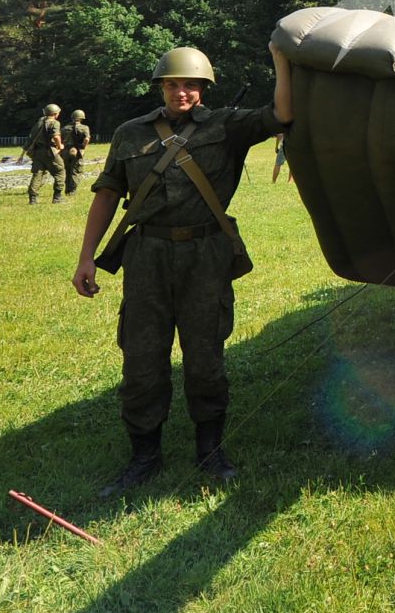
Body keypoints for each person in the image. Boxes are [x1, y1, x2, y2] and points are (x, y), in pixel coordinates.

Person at [71, 44, 293, 497]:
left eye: (191, 84)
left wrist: (280, 59)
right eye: (173, 84)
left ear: (204, 88)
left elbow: (282, 113)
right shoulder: (131, 133)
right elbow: (108, 194)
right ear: (161, 87)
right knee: (141, 360)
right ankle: (144, 457)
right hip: (147, 256)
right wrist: (86, 255)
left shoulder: (227, 126)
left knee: (206, 357)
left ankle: (211, 451)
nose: (182, 92)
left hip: (205, 255)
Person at [25, 104, 65, 204]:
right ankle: (57, 198)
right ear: (55, 114)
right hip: (50, 152)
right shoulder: (55, 123)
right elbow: (56, 136)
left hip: (37, 152)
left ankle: (32, 199)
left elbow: (31, 137)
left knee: (37, 174)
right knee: (60, 172)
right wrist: (60, 146)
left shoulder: (39, 122)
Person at [60, 109, 92, 196]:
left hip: (65, 152)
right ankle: (72, 191)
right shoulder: (84, 128)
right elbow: (86, 139)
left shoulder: (65, 128)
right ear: (81, 118)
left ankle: (67, 189)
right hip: (77, 151)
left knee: (67, 170)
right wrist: (83, 147)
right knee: (76, 171)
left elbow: (60, 140)